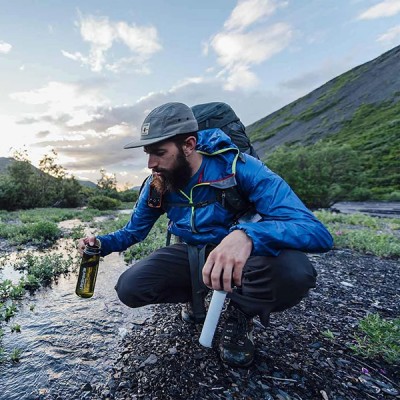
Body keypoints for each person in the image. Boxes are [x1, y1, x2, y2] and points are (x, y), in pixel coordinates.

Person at [77, 102, 333, 368]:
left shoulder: (239, 168)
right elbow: (133, 232)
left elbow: (315, 231)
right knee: (131, 287)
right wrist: (101, 243)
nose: (151, 163)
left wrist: (246, 235)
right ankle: (194, 296)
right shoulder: (157, 184)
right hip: (193, 254)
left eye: (159, 152)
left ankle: (241, 313)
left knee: (295, 272)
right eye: (147, 153)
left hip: (245, 259)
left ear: (188, 145)